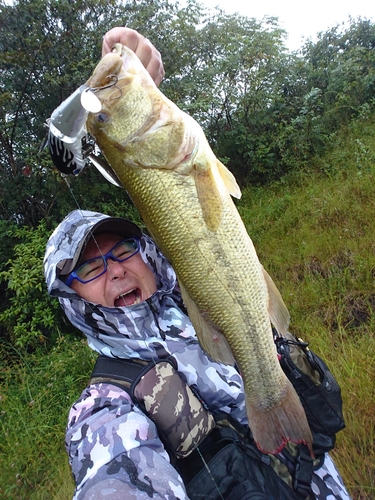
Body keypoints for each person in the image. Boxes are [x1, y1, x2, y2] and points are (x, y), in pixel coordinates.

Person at [43, 29, 351, 500]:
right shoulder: (104, 407)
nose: (116, 270)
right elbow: (113, 477)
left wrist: (121, 89)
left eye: (122, 249)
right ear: (73, 299)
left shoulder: (192, 303)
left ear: (147, 254)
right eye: (89, 269)